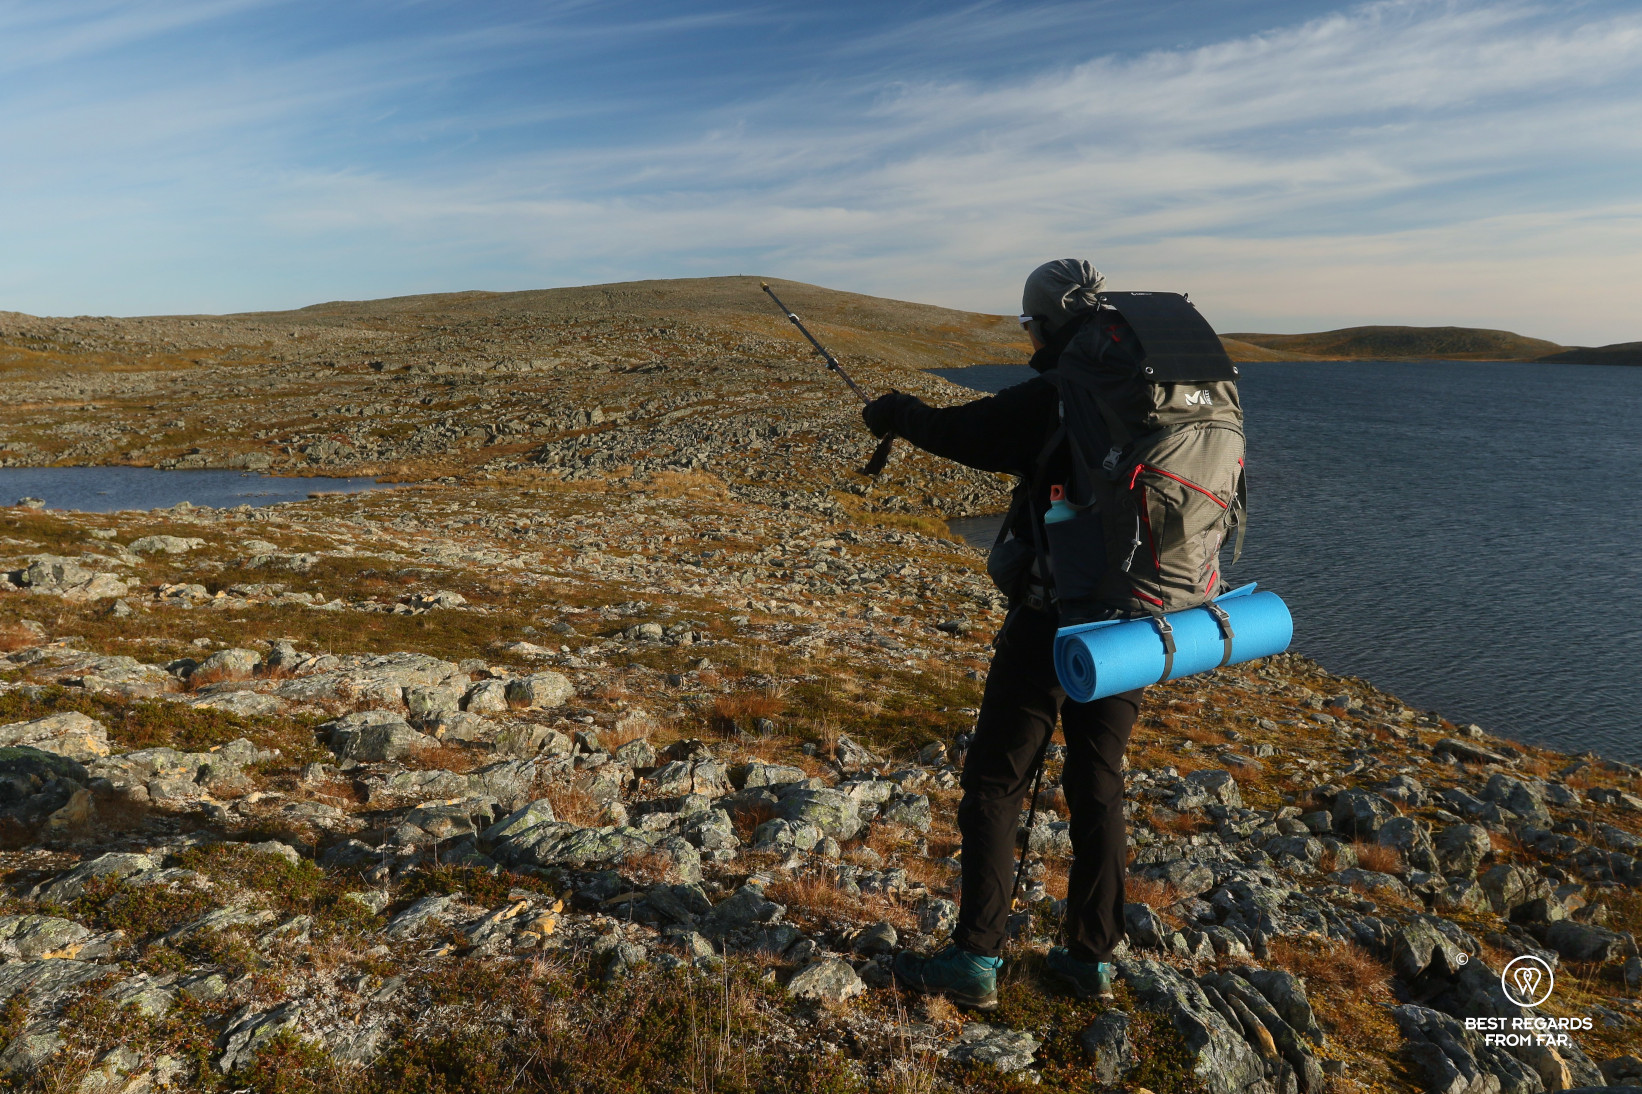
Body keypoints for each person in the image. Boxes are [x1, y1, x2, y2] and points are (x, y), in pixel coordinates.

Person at [864, 259, 1144, 1011]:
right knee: (1099, 784)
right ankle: (1090, 961)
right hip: (1140, 622)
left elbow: (962, 431)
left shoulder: (1056, 397)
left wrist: (895, 412)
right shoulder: (1147, 389)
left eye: (1029, 325)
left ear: (1049, 322)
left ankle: (976, 960)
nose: (1028, 336)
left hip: (1055, 621)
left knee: (997, 779)